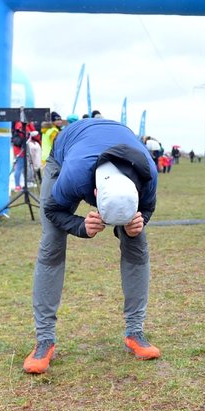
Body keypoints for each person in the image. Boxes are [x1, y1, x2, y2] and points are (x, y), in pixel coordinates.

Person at [22, 117, 161, 375]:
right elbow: (53, 210)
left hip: (113, 142)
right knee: (52, 242)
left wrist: (137, 224)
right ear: (94, 195)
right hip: (68, 150)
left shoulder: (148, 174)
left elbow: (148, 208)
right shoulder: (74, 177)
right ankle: (44, 340)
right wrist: (80, 226)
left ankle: (135, 332)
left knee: (137, 242)